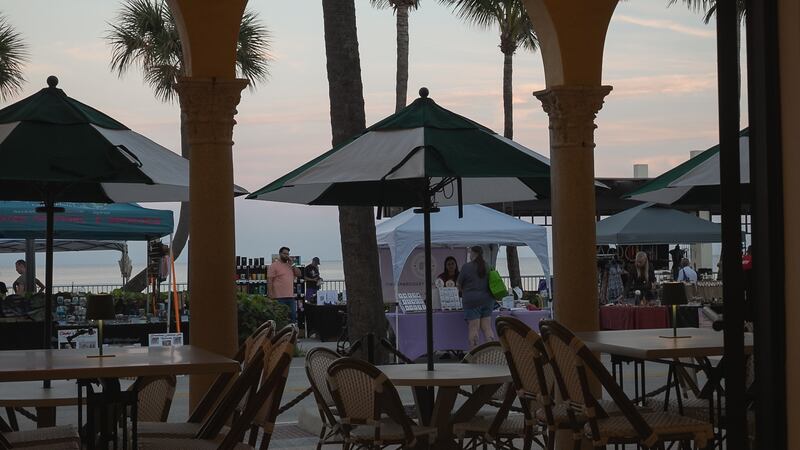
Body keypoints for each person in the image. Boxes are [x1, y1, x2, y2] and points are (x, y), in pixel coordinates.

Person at [457, 246, 496, 348]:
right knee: (487, 328)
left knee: (474, 328)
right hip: (488, 301)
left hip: (472, 301)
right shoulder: (488, 266)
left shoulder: (466, 267)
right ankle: (492, 352)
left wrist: (464, 291)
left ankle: (474, 353)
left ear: (473, 253)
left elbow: (459, 285)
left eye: (470, 253)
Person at [268, 247, 301, 323]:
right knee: (280, 318)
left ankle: (292, 330)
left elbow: (299, 274)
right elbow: (270, 282)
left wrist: (293, 264)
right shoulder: (273, 266)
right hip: (278, 298)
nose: (286, 255)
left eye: (288, 254)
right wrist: (270, 296)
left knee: (293, 317)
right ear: (280, 254)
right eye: (284, 253)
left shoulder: (290, 266)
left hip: (290, 297)